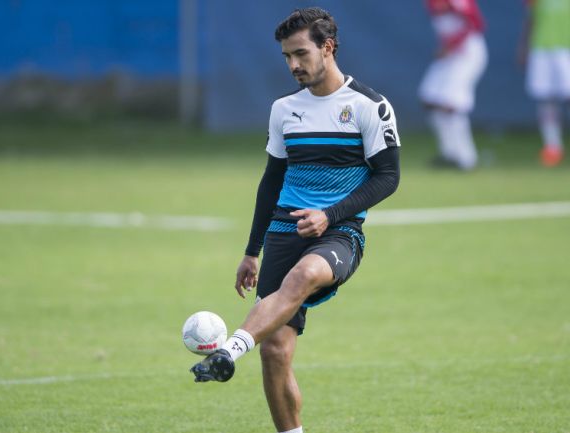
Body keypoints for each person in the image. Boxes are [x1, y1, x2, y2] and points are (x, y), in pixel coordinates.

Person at [189, 8, 401, 433]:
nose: (293, 65)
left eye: (301, 54)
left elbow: (389, 177)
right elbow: (272, 181)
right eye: (286, 56)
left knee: (305, 274)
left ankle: (229, 351)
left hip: (339, 232)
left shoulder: (369, 106)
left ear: (328, 47)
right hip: (284, 231)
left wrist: (331, 214)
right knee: (275, 353)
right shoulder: (284, 109)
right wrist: (252, 251)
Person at [418, 0, 487, 171]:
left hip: (468, 53)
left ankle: (466, 158)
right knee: (429, 97)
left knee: (452, 104)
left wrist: (451, 45)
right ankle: (449, 154)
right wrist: (447, 47)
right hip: (450, 54)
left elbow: (476, 24)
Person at [519, 0, 570, 167]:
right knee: (545, 99)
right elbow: (530, 20)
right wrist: (524, 46)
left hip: (565, 50)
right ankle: (553, 147)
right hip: (540, 49)